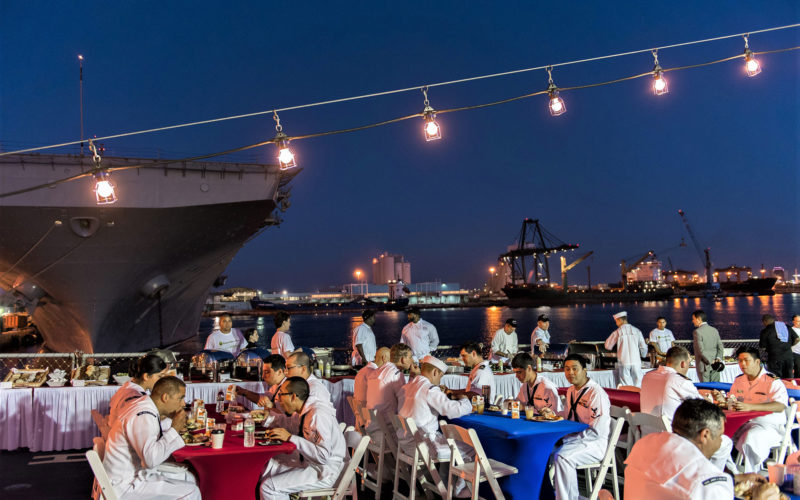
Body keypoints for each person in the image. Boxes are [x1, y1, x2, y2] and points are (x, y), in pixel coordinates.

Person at [625, 399, 777, 499]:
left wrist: (732, 480)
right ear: (705, 435)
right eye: (719, 436)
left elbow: (675, 483)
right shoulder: (708, 483)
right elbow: (696, 482)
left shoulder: (644, 445)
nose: (719, 442)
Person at [102, 377, 200, 500]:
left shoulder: (145, 406)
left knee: (188, 477)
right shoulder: (143, 414)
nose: (183, 404)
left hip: (133, 474)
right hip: (126, 484)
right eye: (181, 398)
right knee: (191, 492)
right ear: (165, 397)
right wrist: (174, 429)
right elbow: (151, 460)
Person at [639, 346, 733, 471]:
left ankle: (734, 475)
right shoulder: (678, 380)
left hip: (648, 435)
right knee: (724, 442)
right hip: (673, 438)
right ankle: (710, 478)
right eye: (689, 363)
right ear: (683, 363)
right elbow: (701, 405)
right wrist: (712, 399)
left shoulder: (648, 376)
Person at [396, 355, 474, 497]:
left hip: (406, 443)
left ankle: (445, 483)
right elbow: (452, 411)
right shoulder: (429, 389)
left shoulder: (406, 387)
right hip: (423, 446)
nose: (439, 381)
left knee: (450, 443)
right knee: (470, 448)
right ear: (435, 373)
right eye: (440, 377)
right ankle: (459, 489)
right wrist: (466, 401)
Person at [260, 377, 346, 500]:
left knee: (268, 487)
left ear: (293, 397)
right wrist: (268, 418)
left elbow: (323, 456)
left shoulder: (317, 414)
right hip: (312, 464)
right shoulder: (305, 410)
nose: (278, 400)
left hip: (326, 471)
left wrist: (290, 437)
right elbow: (289, 423)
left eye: (281, 395)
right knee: (269, 468)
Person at [542, 354, 610, 500]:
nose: (570, 373)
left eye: (574, 369)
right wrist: (553, 413)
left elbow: (597, 431)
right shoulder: (571, 390)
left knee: (563, 457)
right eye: (566, 369)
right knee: (542, 449)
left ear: (585, 370)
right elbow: (568, 416)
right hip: (574, 439)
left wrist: (571, 438)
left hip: (593, 443)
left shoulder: (596, 393)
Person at [714, 346, 788, 473]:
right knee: (717, 438)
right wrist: (723, 400)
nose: (742, 364)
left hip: (767, 425)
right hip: (743, 424)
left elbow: (780, 405)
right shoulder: (739, 380)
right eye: (740, 360)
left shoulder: (772, 381)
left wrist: (750, 407)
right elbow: (735, 403)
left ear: (757, 362)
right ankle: (731, 473)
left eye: (746, 360)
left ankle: (751, 474)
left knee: (751, 438)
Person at [109, 354, 168, 426]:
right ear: (146, 376)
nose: (163, 381)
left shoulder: (129, 388)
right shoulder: (135, 396)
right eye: (160, 376)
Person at [366, 343, 418, 418]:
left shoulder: (376, 372)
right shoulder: (396, 375)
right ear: (403, 359)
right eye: (410, 357)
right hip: (388, 424)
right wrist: (413, 377)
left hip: (373, 421)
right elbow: (406, 400)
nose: (412, 360)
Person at [604, 311, 647, 387]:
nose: (616, 323)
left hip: (624, 362)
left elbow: (607, 346)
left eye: (616, 321)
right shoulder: (637, 331)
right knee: (638, 384)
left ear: (620, 320)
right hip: (636, 361)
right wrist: (643, 355)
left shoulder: (617, 332)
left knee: (626, 384)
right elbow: (643, 347)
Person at [759, 314, 798, 379]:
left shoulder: (765, 331)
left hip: (774, 358)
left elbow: (762, 346)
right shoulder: (786, 327)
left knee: (775, 378)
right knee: (789, 377)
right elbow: (797, 339)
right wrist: (789, 345)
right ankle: (789, 388)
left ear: (765, 321)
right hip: (788, 357)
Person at [692, 310, 724, 382]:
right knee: (716, 388)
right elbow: (720, 347)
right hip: (716, 365)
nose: (692, 321)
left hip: (704, 366)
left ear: (699, 319)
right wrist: (718, 358)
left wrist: (710, 361)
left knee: (705, 389)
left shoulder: (697, 332)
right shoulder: (714, 330)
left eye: (693, 319)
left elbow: (700, 350)